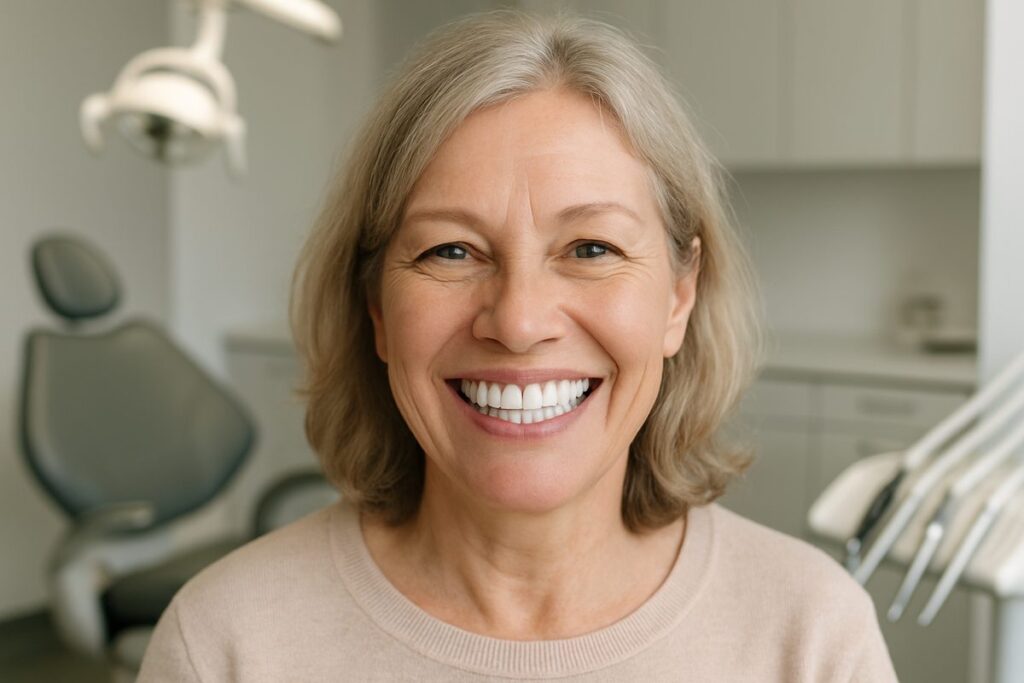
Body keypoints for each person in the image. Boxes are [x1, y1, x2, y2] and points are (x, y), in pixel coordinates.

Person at [139, 10, 896, 682]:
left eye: (592, 248)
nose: (520, 320)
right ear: (375, 305)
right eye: (451, 252)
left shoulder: (813, 637)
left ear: (679, 296)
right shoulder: (227, 644)